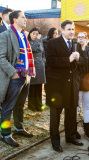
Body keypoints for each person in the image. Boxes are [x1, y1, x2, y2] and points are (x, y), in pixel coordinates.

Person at [46, 20, 84, 152]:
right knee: (55, 115)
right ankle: (55, 142)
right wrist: (68, 60)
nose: (72, 32)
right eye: (69, 29)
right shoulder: (52, 43)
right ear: (62, 30)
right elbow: (50, 61)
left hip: (72, 84)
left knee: (71, 113)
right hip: (57, 86)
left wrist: (79, 59)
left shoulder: (76, 45)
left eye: (73, 29)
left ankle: (71, 136)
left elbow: (82, 63)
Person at [0, 10, 35, 147]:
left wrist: (30, 71)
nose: (25, 19)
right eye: (23, 17)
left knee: (20, 105)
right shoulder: (5, 35)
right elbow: (1, 57)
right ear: (14, 19)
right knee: (8, 107)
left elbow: (26, 56)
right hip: (14, 76)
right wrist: (13, 73)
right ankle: (5, 134)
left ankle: (19, 128)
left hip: (26, 75)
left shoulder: (23, 35)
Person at [77, 32, 89, 138]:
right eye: (79, 37)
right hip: (77, 83)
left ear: (86, 39)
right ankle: (73, 130)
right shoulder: (74, 50)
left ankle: (88, 129)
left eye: (83, 37)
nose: (80, 39)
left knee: (87, 106)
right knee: (75, 107)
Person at [27, 27, 46, 111]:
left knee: (39, 87)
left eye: (37, 34)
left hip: (40, 67)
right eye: (33, 33)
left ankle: (39, 104)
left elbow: (43, 53)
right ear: (30, 34)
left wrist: (43, 61)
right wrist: (38, 40)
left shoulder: (40, 42)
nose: (35, 35)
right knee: (32, 87)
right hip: (32, 67)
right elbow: (33, 49)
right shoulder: (28, 42)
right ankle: (32, 105)